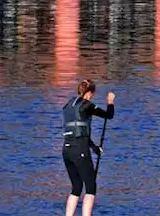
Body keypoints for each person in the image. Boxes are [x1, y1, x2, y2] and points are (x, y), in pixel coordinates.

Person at [62, 79, 116, 216]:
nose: (93, 97)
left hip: (66, 150)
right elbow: (109, 115)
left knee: (77, 187)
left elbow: (79, 132)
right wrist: (110, 102)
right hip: (79, 150)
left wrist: (94, 147)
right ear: (90, 93)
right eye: (93, 94)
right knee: (91, 187)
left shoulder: (68, 104)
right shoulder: (87, 106)